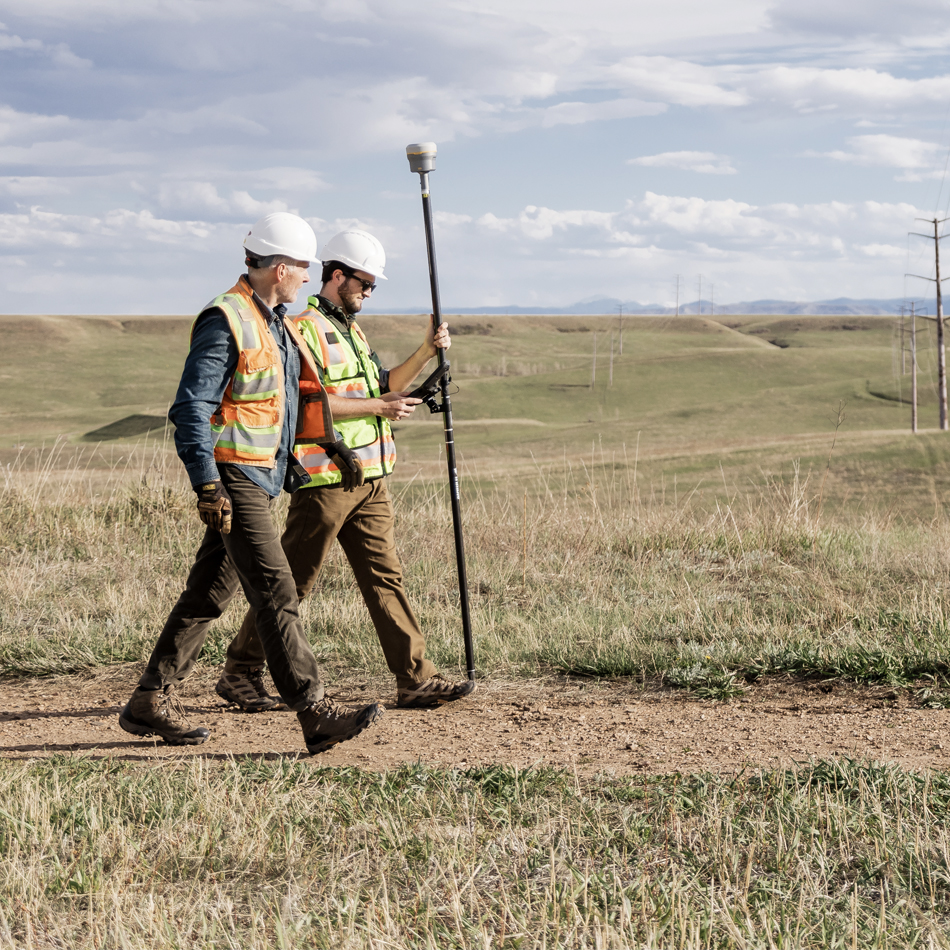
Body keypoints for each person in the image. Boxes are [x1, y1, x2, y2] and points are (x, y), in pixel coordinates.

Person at [118, 213, 383, 754]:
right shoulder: (228, 319)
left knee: (209, 594)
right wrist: (207, 486)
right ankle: (315, 712)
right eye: (303, 269)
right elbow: (191, 408)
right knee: (276, 591)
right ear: (281, 268)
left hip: (259, 478)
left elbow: (282, 403)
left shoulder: (274, 320)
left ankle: (150, 699)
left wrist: (326, 446)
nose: (308, 278)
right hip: (233, 479)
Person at [215, 229, 475, 712]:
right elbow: (304, 402)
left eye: (373, 286)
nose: (369, 293)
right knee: (293, 581)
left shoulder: (351, 330)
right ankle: (241, 670)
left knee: (385, 578)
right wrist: (379, 405)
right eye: (365, 284)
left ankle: (415, 678)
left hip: (371, 479)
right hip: (327, 478)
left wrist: (424, 351)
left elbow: (383, 386)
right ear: (338, 275)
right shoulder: (304, 329)